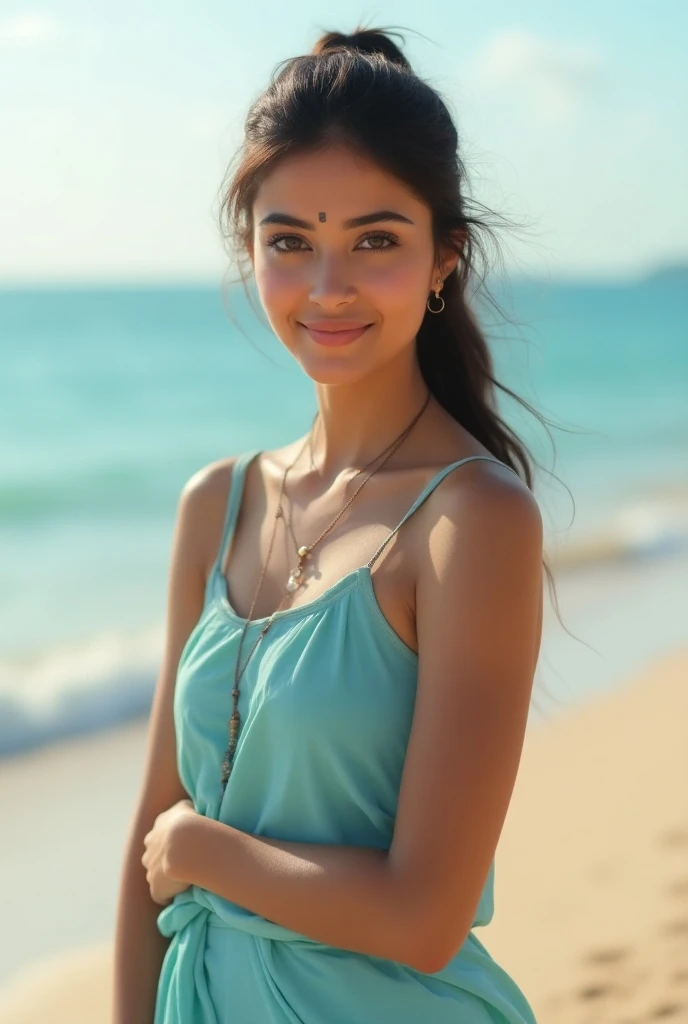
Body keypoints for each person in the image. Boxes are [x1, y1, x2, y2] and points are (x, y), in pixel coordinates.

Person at [113, 26, 553, 1024]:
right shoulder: (213, 506)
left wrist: (204, 852)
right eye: (289, 244)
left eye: (375, 240)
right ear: (251, 252)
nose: (327, 287)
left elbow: (423, 916)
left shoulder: (473, 519)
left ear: (444, 258)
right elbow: (146, 827)